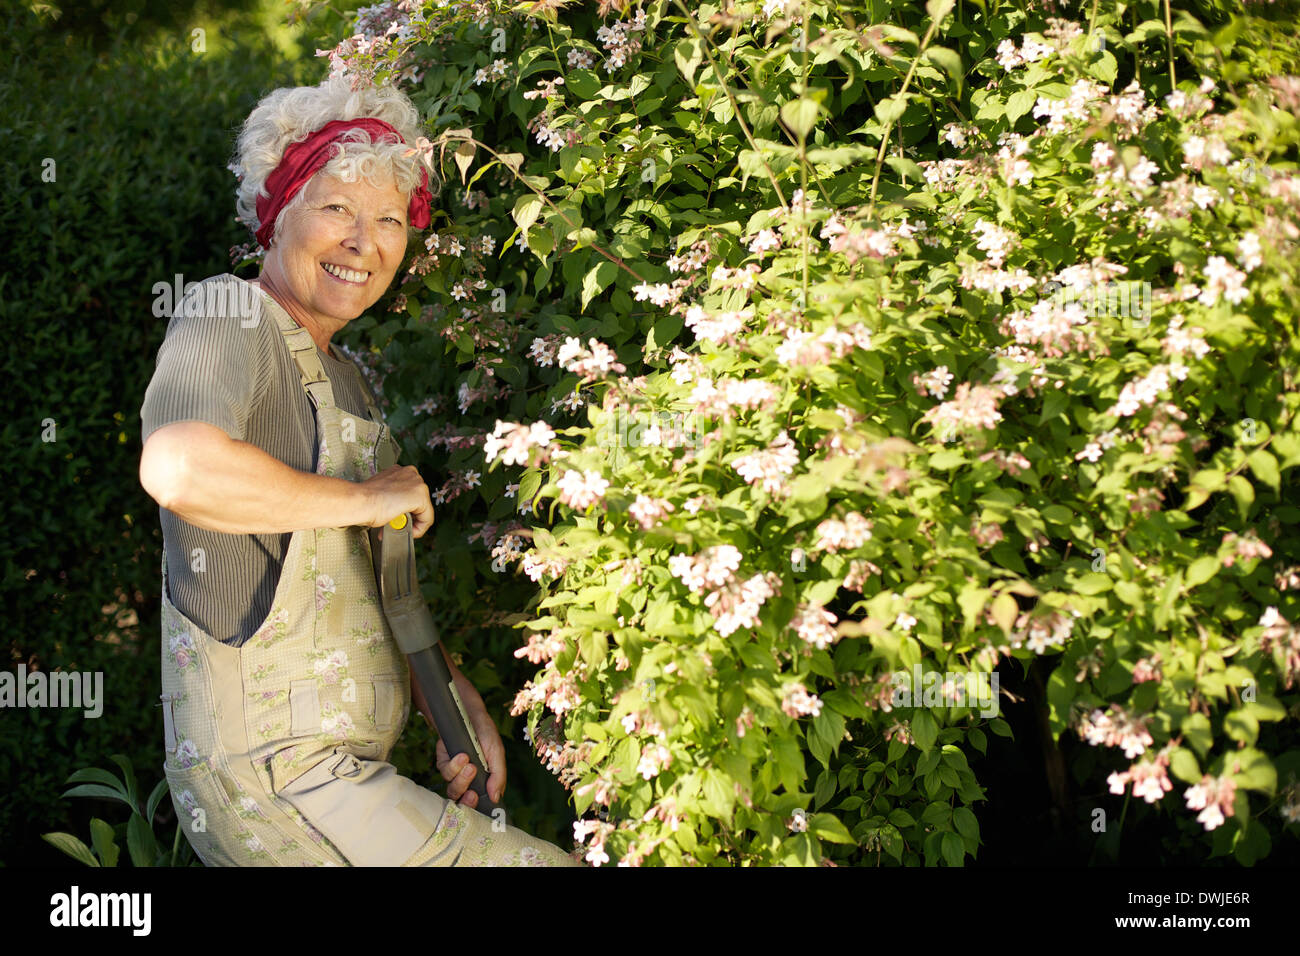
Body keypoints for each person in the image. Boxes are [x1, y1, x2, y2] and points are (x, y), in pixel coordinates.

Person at [138, 76, 579, 867]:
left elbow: (369, 572)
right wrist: (366, 495)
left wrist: (448, 699)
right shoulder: (227, 315)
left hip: (337, 774)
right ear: (277, 216)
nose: (362, 240)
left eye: (387, 220)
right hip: (281, 776)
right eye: (337, 208)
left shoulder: (346, 376)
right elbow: (181, 467)